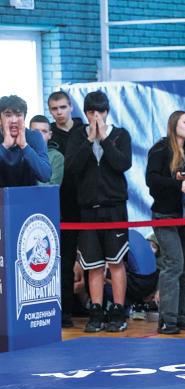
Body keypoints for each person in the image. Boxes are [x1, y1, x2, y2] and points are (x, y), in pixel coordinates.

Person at [65, 90, 132, 333]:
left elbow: (122, 164)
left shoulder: (120, 134)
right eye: (91, 111)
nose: (96, 116)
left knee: (116, 262)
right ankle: (96, 311)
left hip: (114, 208)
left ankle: (118, 311)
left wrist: (103, 139)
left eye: (100, 111)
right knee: (93, 264)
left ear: (107, 112)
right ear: (85, 113)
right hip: (88, 209)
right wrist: (89, 140)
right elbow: (72, 167)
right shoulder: (77, 135)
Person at [145, 110, 185, 335]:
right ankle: (167, 320)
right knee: (173, 264)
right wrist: (178, 184)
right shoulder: (161, 149)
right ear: (174, 124)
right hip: (165, 215)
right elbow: (151, 179)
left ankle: (181, 316)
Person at [48, 90, 84, 327]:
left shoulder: (84, 130)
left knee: (94, 261)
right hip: (61, 207)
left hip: (87, 204)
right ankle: (64, 313)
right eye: (54, 109)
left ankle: (97, 308)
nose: (59, 112)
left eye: (62, 107)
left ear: (70, 106)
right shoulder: (48, 135)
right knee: (63, 261)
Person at [0, 95, 51, 187]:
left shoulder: (34, 137)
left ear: (24, 118)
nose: (14, 120)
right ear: (0, 119)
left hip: (27, 194)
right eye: (8, 115)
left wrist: (24, 146)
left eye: (18, 115)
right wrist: (4, 146)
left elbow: (45, 175)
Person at [29, 115, 64, 185]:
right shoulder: (21, 152)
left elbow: (52, 186)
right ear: (28, 133)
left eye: (44, 131)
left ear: (50, 135)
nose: (39, 135)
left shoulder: (56, 157)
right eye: (36, 131)